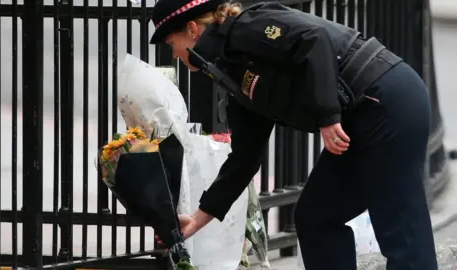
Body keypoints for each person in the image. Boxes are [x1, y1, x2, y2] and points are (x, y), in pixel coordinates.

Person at [150, 0, 438, 269]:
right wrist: (199, 219)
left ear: (192, 29)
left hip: (386, 101)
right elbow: (244, 159)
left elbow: (314, 41)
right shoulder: (233, 68)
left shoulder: (245, 28)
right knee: (316, 217)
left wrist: (327, 116)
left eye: (172, 43)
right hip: (359, 118)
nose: (174, 54)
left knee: (400, 226)